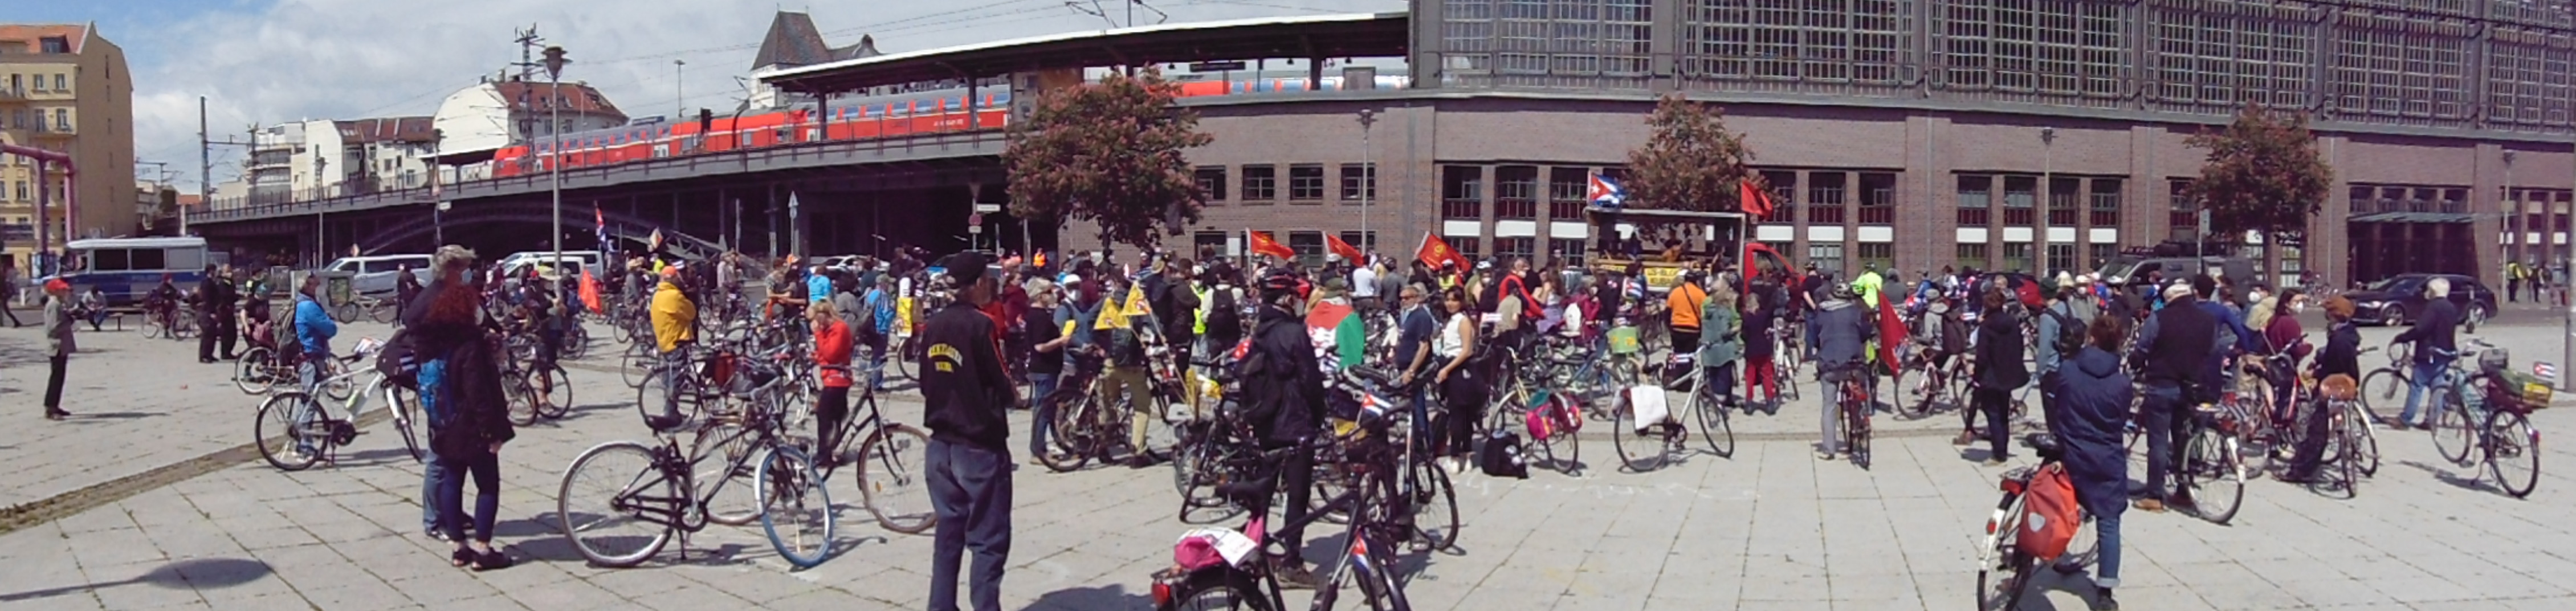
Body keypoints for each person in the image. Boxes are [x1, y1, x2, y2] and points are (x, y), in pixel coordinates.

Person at [407, 246, 515, 571]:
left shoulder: (431, 337)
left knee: (452, 480)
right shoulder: (469, 348)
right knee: (488, 486)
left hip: (443, 418)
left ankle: (458, 547)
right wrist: (493, 431)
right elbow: (480, 394)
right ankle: (483, 550)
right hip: (471, 425)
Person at [920, 252, 1015, 611]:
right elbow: (1002, 380)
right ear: (977, 284)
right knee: (989, 540)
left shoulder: (935, 324)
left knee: (948, 533)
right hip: (978, 444)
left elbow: (925, 381)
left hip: (940, 443)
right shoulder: (980, 325)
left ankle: (940, 606)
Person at [2043, 313, 2134, 611]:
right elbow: (2120, 421)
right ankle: (2106, 590)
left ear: (2091, 339)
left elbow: (2058, 406)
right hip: (2106, 456)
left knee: (2058, 504)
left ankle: (2041, 550)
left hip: (2073, 451)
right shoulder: (2121, 383)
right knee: (2109, 522)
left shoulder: (2069, 370)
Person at [1244, 269, 1327, 588]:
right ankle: (1291, 563)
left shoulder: (1259, 329)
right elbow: (1311, 381)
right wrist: (1318, 416)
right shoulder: (1293, 332)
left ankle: (1255, 545)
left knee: (1264, 488)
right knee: (1297, 494)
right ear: (1286, 298)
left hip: (1266, 420)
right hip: (1294, 422)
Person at [2126, 281, 2215, 513]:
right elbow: (2211, 350)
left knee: (2157, 442)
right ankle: (2184, 491)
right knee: (2184, 439)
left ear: (2168, 298)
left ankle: (2155, 496)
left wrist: (2135, 363)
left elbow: (2143, 347)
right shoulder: (2207, 320)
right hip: (2192, 387)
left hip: (2162, 384)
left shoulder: (2159, 318)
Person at [2285, 296, 2361, 482]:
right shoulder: (2349, 333)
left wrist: (2316, 374)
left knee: (2317, 427)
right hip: (2351, 380)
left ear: (2333, 315)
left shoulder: (2339, 339)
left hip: (2334, 384)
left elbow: (2333, 365)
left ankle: (2303, 470)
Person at [1809, 282, 1875, 460]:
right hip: (1853, 363)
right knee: (1861, 386)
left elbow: (1814, 338)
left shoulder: (1822, 314)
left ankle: (1829, 449)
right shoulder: (1857, 312)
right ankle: (1862, 419)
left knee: (1829, 405)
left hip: (1829, 363)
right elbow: (1866, 334)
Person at [2392, 277, 2462, 430]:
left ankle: (2405, 420)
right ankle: (2432, 420)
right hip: (2445, 352)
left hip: (2429, 352)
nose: (2426, 293)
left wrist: (2403, 338)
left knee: (2417, 385)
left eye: (2428, 290)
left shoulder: (2433, 307)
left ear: (2433, 291)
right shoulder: (2451, 307)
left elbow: (2421, 329)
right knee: (2438, 387)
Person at [1970, 288, 2029, 465]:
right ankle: (2003, 446)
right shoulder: (2012, 322)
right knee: (2003, 412)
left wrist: (1977, 376)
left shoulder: (1986, 326)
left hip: (1991, 375)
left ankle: (1999, 453)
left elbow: (1982, 356)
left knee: (1993, 414)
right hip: (2008, 373)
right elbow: (2020, 346)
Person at [292, 274, 339, 459]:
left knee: (306, 399)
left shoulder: (305, 303)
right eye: (314, 283)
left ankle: (300, 439)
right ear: (306, 285)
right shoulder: (308, 306)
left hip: (309, 356)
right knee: (310, 401)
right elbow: (330, 329)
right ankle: (305, 445)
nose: (317, 285)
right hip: (311, 357)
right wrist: (329, 320)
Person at [646, 265, 698, 431]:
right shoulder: (674, 296)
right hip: (677, 341)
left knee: (669, 377)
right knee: (676, 378)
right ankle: (670, 414)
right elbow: (691, 313)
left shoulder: (658, 295)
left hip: (664, 340)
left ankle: (672, 412)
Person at [1025, 281, 1069, 462]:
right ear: (1040, 295)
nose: (1052, 295)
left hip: (1045, 368)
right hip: (1044, 368)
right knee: (1042, 409)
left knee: (1047, 408)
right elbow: (1040, 346)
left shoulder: (1037, 315)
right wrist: (1061, 341)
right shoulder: (1040, 317)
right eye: (1049, 292)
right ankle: (1037, 450)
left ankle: (1052, 443)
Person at [810, 299, 857, 466]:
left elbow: (831, 354)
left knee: (824, 416)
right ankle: (833, 449)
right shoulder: (830, 329)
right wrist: (816, 356)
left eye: (817, 317)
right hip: (831, 377)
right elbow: (826, 353)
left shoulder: (839, 328)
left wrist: (818, 334)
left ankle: (825, 455)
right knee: (834, 417)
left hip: (837, 379)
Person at [1699, 282, 1742, 413]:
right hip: (1724, 349)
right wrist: (1736, 329)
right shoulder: (1724, 311)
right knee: (1724, 377)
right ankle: (1721, 403)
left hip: (1709, 347)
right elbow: (1724, 331)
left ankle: (1716, 400)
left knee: (1713, 376)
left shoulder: (1708, 307)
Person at [1742, 290, 1778, 413]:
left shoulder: (1746, 318)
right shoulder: (1763, 316)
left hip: (1751, 350)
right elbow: (1771, 309)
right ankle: (1769, 402)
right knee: (1767, 376)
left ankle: (1749, 403)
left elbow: (1744, 335)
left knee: (1750, 377)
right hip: (1764, 348)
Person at [40, 279, 71, 420]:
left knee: (60, 377)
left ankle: (55, 405)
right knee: (56, 377)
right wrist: (69, 321)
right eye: (62, 290)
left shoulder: (59, 304)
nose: (65, 292)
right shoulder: (54, 305)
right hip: (56, 345)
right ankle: (51, 408)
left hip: (61, 345)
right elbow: (52, 328)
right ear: (54, 291)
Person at [863, 275, 900, 392]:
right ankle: (876, 384)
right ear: (884, 284)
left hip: (871, 328)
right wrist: (894, 311)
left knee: (874, 357)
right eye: (888, 283)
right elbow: (887, 314)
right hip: (881, 329)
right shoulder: (884, 296)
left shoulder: (871, 294)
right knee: (879, 357)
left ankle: (869, 380)